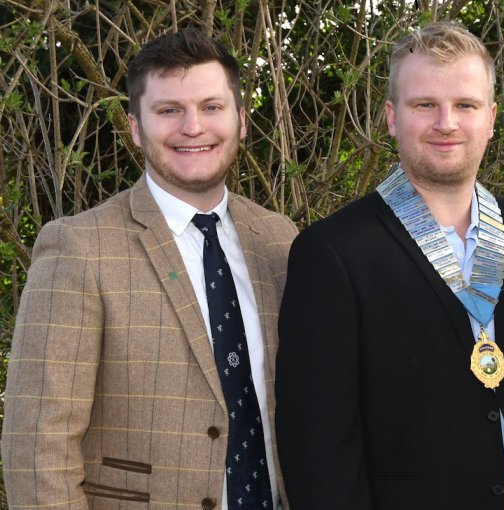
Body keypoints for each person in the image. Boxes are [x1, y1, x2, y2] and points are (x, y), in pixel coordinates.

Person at [275, 21, 504, 510]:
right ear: (392, 117)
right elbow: (317, 446)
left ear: (492, 118)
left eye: (466, 105)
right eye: (424, 105)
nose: (446, 122)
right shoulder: (332, 253)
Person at [1, 28, 297, 509]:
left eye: (211, 107)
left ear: (242, 121)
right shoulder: (78, 249)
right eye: (168, 110)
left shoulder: (280, 239)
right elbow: (38, 449)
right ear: (136, 127)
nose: (193, 127)